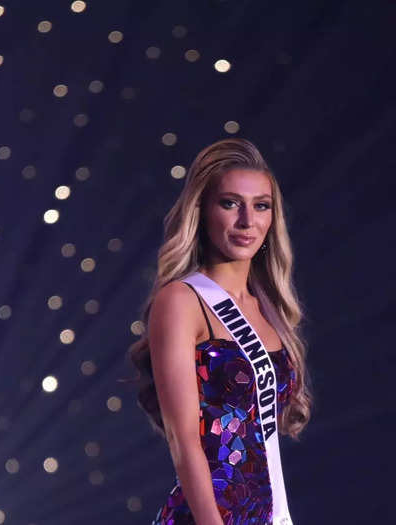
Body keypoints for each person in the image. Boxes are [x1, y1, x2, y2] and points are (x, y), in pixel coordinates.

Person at [128, 137, 313, 524]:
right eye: (230, 203)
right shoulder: (181, 301)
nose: (247, 221)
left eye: (261, 206)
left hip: (264, 513)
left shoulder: (268, 309)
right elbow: (184, 441)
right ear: (202, 211)